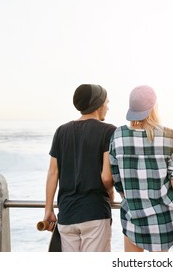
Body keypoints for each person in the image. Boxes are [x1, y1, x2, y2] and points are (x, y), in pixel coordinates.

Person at [109, 85, 173, 252]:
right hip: (163, 219)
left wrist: (128, 196)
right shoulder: (169, 135)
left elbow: (116, 177)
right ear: (154, 108)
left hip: (133, 215)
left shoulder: (118, 135)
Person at [43, 84, 116, 252]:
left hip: (66, 216)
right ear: (98, 104)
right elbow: (106, 177)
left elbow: (53, 172)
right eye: (107, 102)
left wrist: (48, 209)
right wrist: (111, 195)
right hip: (94, 213)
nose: (108, 107)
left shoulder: (61, 131)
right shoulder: (109, 131)